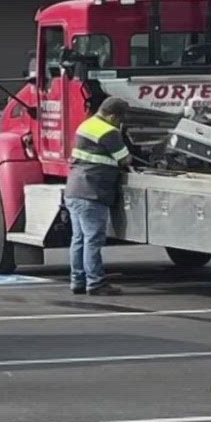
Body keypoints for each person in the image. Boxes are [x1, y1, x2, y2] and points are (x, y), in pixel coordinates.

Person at [66, 96, 133, 296]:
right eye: (120, 119)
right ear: (112, 116)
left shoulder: (86, 124)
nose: (120, 123)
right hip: (92, 193)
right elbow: (125, 159)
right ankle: (95, 283)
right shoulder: (109, 132)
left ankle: (77, 281)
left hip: (74, 190)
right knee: (93, 240)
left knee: (78, 239)